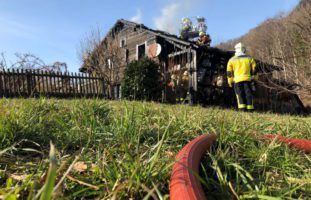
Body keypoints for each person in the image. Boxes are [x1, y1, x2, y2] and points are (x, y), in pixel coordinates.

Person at [227, 42, 257, 111]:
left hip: (237, 81)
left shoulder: (231, 60)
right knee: (248, 94)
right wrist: (254, 78)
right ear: (243, 49)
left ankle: (242, 109)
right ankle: (250, 109)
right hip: (248, 80)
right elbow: (255, 69)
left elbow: (229, 73)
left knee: (239, 94)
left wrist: (230, 81)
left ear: (236, 50)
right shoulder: (250, 58)